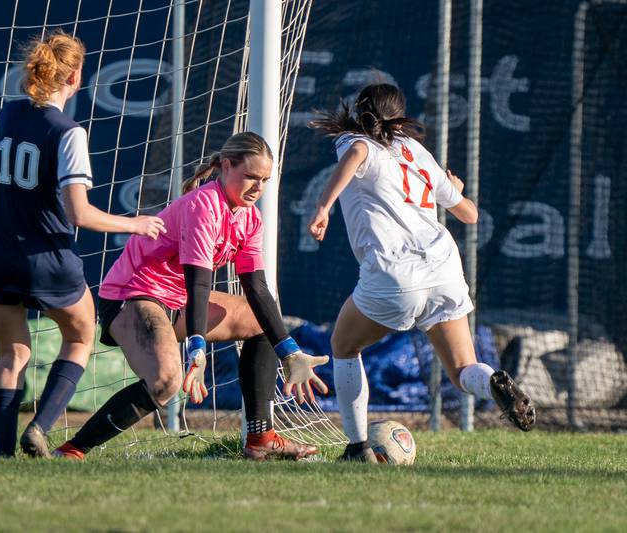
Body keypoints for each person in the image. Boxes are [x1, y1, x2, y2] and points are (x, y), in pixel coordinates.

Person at [53, 131, 330, 461]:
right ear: (226, 166)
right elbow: (199, 282)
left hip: (177, 300)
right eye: (251, 177)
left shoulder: (250, 217)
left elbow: (256, 287)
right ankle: (72, 450)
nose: (258, 187)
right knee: (166, 383)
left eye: (265, 180)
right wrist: (197, 346)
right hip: (135, 295)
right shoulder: (204, 205)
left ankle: (260, 438)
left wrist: (290, 351)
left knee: (264, 323)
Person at [308, 83, 536, 463]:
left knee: (344, 347)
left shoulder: (357, 141)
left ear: (363, 111)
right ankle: (494, 381)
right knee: (462, 369)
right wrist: (453, 190)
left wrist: (323, 204)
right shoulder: (417, 152)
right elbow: (471, 214)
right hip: (444, 268)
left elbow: (359, 153)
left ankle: (358, 447)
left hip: (395, 275)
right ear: (399, 116)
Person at [0, 30, 166, 458]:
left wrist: (17, 198)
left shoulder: (3, 117)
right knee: (79, 338)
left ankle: (2, 456)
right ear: (75, 77)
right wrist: (136, 224)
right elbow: (80, 215)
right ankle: (39, 427)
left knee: (12, 353)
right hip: (47, 260)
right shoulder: (69, 132)